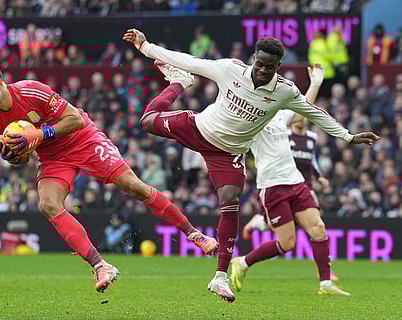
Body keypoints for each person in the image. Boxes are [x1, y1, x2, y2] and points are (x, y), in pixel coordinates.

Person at [122, 29, 379, 302]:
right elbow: (190, 60)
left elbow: (314, 112)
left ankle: (221, 276)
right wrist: (146, 46)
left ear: (278, 67)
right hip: (200, 128)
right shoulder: (230, 69)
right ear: (253, 58)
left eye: (270, 67)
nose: (263, 71)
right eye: (260, 64)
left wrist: (347, 136)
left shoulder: (284, 91)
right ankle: (178, 84)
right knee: (147, 121)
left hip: (228, 153)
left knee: (230, 198)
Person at [0, 66, 218, 293]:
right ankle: (100, 265)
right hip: (53, 156)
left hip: (83, 139)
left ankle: (194, 234)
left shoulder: (33, 91)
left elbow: (75, 118)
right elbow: (23, 155)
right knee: (48, 205)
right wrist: (14, 157)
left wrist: (42, 133)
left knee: (133, 186)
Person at [231, 64, 350, 297]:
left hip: (296, 182)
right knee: (287, 244)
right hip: (272, 186)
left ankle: (325, 284)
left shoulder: (279, 117)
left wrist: (315, 83)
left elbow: (303, 109)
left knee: (318, 227)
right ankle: (243, 262)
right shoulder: (249, 122)